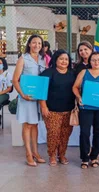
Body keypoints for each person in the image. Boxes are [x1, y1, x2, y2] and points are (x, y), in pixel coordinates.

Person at [73, 52, 99, 169]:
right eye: (93, 60)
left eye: (98, 60)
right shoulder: (84, 72)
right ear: (89, 61)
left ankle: (94, 157)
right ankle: (85, 158)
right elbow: (75, 87)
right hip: (86, 108)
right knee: (84, 133)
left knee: (98, 132)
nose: (96, 62)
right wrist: (79, 97)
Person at [12, 34, 47, 167]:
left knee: (35, 124)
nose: (36, 45)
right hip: (26, 98)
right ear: (29, 44)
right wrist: (22, 94)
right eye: (34, 43)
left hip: (38, 98)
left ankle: (36, 153)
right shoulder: (23, 59)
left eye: (39, 43)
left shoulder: (43, 59)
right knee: (27, 125)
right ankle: (28, 154)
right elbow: (15, 80)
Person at [39, 49, 76, 166]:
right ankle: (52, 155)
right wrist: (43, 106)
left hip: (69, 110)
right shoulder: (48, 73)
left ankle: (62, 154)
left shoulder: (73, 73)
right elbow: (41, 91)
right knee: (53, 133)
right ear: (55, 60)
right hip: (51, 110)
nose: (64, 61)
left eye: (66, 59)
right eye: (61, 59)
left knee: (65, 134)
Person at [0, 57, 13, 125]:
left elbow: (9, 88)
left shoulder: (7, 74)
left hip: (4, 94)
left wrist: (0, 93)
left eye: (0, 63)